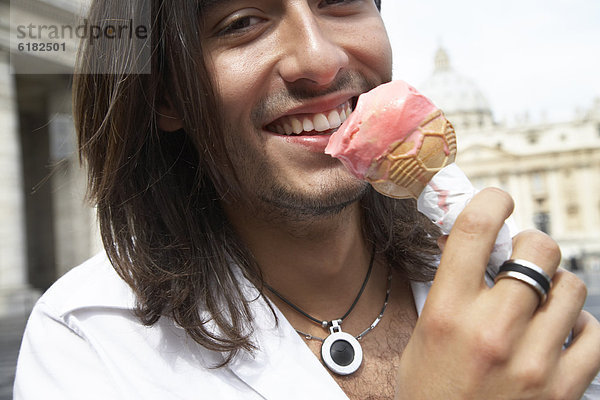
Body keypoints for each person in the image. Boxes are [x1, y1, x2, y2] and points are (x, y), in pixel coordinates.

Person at [14, 0, 600, 398]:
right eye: (242, 21)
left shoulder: (504, 279)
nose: (321, 61)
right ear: (166, 98)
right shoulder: (86, 339)